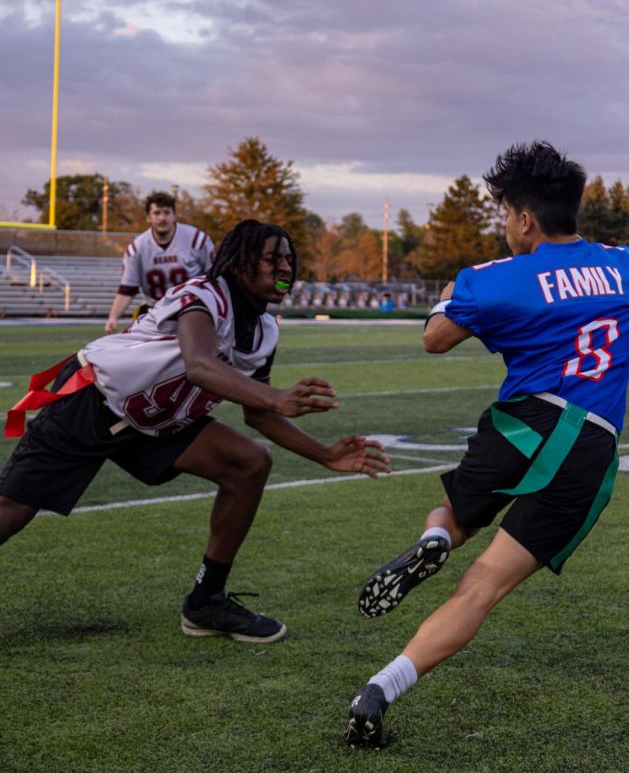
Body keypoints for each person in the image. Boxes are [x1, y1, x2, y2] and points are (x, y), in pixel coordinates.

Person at [344, 141, 629, 748]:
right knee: (483, 585)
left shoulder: (493, 281)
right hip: (590, 444)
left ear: (525, 218)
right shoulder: (626, 263)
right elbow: (592, 276)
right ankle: (381, 687)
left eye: (506, 213)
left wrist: (467, 292)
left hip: (523, 423)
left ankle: (437, 537)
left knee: (455, 515)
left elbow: (435, 339)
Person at [2, 219, 390, 642]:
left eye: (289, 260)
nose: (285, 268)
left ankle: (206, 602)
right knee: (13, 510)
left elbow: (257, 415)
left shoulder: (263, 331)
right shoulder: (204, 295)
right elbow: (200, 365)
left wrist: (326, 455)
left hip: (153, 419)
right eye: (272, 259)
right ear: (241, 264)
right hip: (94, 398)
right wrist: (278, 397)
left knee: (249, 462)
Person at [105, 191, 215, 334]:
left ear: (174, 216)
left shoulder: (196, 240)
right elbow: (128, 289)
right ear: (148, 218)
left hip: (191, 308)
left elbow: (214, 278)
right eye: (157, 213)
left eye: (167, 212)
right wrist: (113, 318)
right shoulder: (137, 248)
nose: (162, 218)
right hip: (156, 311)